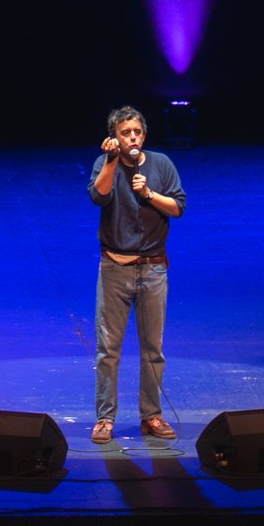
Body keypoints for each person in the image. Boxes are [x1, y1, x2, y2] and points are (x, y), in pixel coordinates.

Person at [88, 105, 186, 444]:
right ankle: (104, 418)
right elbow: (98, 196)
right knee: (108, 349)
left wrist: (149, 194)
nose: (132, 138)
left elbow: (178, 207)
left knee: (152, 349)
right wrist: (112, 162)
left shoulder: (161, 164)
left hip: (154, 269)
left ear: (143, 135)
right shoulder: (107, 164)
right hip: (115, 267)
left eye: (136, 133)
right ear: (114, 137)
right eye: (124, 133)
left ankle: (152, 416)